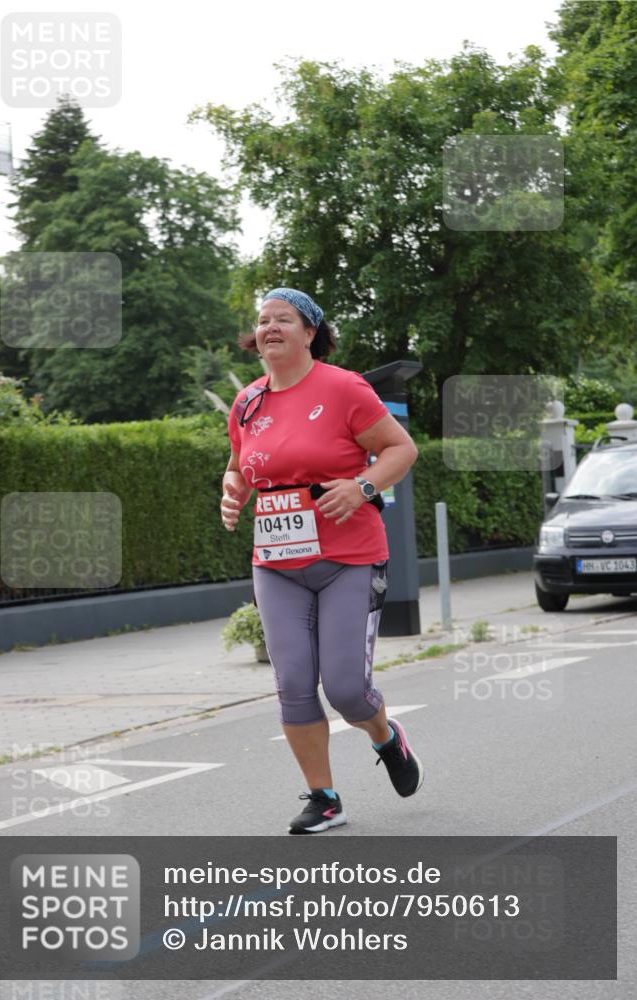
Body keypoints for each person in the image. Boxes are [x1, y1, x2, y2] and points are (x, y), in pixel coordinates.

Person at [221, 286, 423, 834]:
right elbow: (241, 467)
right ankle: (324, 797)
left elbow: (401, 449)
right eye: (263, 321)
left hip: (349, 558)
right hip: (277, 563)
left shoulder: (343, 389)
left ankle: (386, 736)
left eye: (283, 319)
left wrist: (362, 486)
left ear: (310, 332)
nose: (270, 329)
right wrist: (233, 488)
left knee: (347, 690)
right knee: (292, 682)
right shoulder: (248, 403)